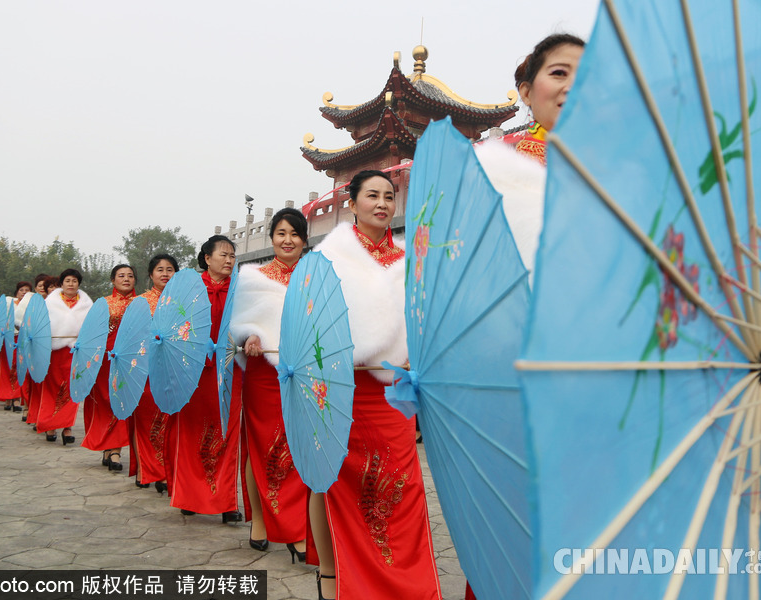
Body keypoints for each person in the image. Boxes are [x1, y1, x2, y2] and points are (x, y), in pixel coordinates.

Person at [465, 33, 586, 600]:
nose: (573, 85)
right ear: (526, 90)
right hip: (514, 373)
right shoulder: (499, 166)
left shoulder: (626, 167)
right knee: (513, 521)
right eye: (559, 72)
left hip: (602, 374)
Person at [309, 170, 441, 600]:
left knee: (401, 485)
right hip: (343, 391)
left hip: (393, 393)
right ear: (352, 203)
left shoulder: (409, 260)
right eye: (372, 195)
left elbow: (423, 319)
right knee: (334, 481)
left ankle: (405, 582)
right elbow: (311, 324)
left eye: (389, 196)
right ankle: (332, 576)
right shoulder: (329, 258)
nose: (382, 203)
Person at [230, 208, 309, 561]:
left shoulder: (316, 278)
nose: (287, 240)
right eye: (281, 233)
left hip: (307, 374)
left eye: (295, 233)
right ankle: (260, 520)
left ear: (304, 239)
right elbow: (239, 325)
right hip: (264, 375)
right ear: (272, 237)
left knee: (299, 447)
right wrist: (249, 336)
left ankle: (297, 525)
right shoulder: (253, 279)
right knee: (262, 445)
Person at [164, 236, 242, 523]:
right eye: (223, 255)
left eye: (232, 256)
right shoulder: (189, 289)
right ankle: (190, 496)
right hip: (193, 371)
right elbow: (173, 325)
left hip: (229, 371)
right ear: (207, 258)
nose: (229, 260)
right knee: (191, 432)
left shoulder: (241, 290)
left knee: (226, 433)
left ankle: (226, 501)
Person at [127, 254, 177, 492]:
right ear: (150, 274)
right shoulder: (140, 302)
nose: (165, 274)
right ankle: (146, 468)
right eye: (160, 269)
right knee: (146, 420)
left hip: (173, 369)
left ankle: (165, 470)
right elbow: (130, 335)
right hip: (145, 368)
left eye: (170, 269)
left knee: (169, 420)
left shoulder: (182, 302)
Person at [81, 264, 135, 471]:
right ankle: (108, 445)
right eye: (121, 275)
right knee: (105, 403)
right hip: (105, 361)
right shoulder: (103, 304)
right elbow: (92, 332)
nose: (126, 279)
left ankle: (115, 451)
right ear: (113, 280)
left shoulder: (143, 303)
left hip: (131, 362)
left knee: (122, 402)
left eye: (130, 276)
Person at [510, 32, 585, 166]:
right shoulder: (502, 170)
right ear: (527, 93)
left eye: (584, 76)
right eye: (559, 73)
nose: (573, 87)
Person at [36, 268, 93, 444]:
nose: (71, 284)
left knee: (71, 388)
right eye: (67, 281)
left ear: (79, 284)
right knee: (52, 388)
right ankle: (51, 425)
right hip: (53, 352)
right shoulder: (49, 303)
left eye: (74, 281)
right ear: (61, 283)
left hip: (75, 352)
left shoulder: (87, 304)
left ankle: (67, 427)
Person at [0, 282, 32, 411]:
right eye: (21, 290)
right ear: (17, 292)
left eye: (27, 290)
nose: (24, 292)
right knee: (8, 368)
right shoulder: (9, 304)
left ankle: (16, 398)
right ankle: (8, 397)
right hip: (9, 340)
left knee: (21, 368)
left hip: (24, 340)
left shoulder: (32, 305)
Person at [17, 273, 51, 424]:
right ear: (35, 288)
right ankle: (27, 406)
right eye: (40, 285)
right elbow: (19, 322)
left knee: (43, 380)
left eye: (46, 286)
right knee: (30, 377)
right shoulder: (28, 301)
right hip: (31, 344)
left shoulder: (54, 302)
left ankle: (40, 411)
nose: (43, 288)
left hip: (47, 346)